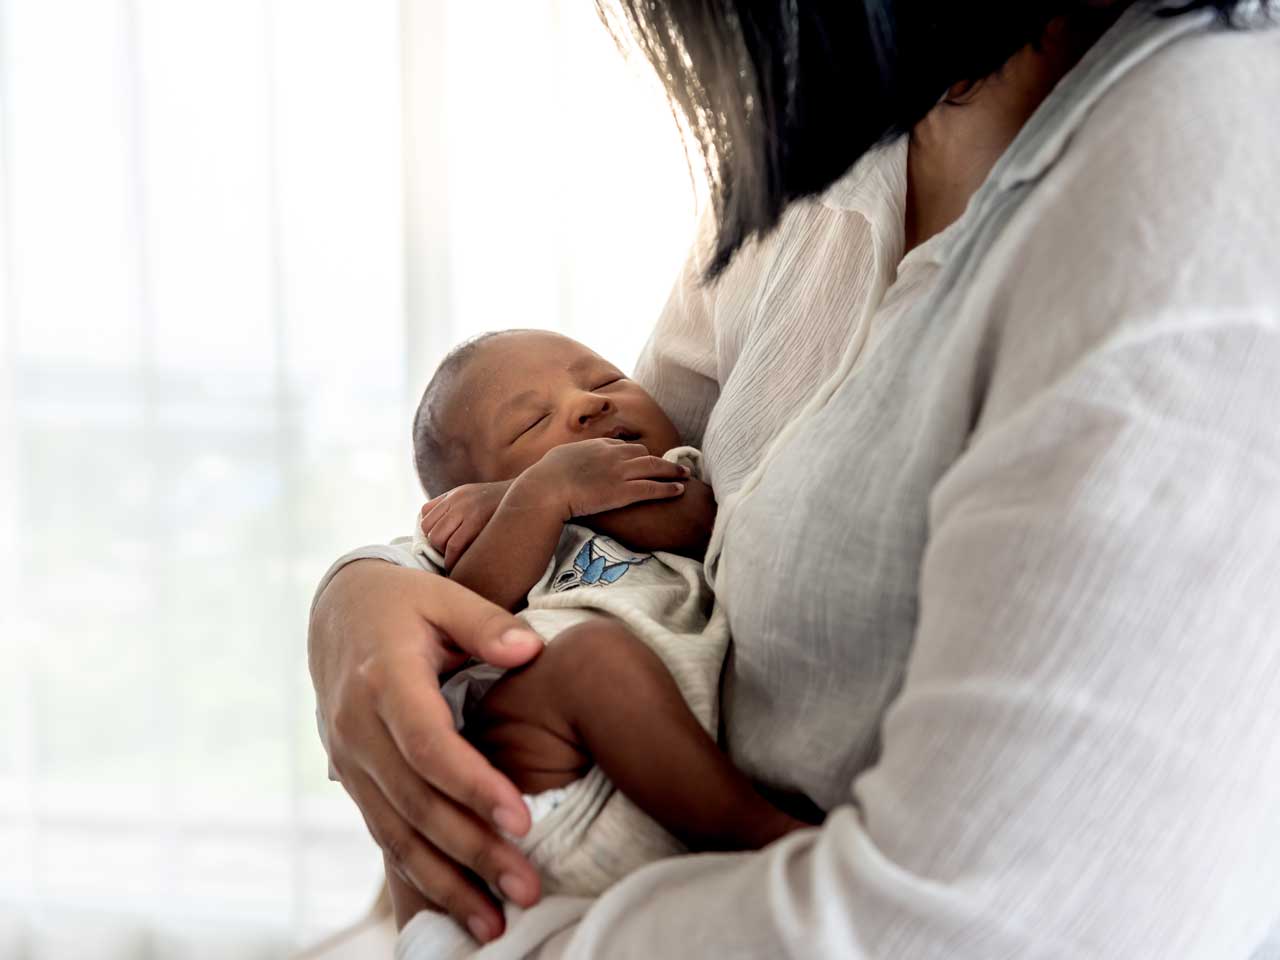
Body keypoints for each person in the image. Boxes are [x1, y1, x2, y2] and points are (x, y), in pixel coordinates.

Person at [308, 1, 1280, 955]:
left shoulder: (1201, 169)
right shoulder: (829, 151)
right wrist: (366, 588)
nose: (592, 400)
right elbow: (594, 469)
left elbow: (979, 929)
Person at [386, 329, 809, 954]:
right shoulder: (476, 535)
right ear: (465, 493)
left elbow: (694, 522)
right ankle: (765, 838)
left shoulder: (677, 473)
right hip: (536, 766)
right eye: (531, 423)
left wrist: (550, 488)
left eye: (605, 380)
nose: (588, 403)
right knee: (590, 660)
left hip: (652, 806)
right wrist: (536, 498)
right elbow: (465, 617)